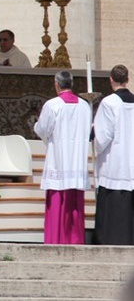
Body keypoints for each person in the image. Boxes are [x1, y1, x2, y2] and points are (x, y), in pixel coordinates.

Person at [33, 70, 91, 244]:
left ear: (57, 84)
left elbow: (43, 129)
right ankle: (74, 240)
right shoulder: (84, 106)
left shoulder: (52, 105)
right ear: (71, 84)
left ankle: (55, 240)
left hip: (59, 159)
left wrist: (37, 126)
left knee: (57, 202)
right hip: (77, 161)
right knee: (74, 205)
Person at [93, 65, 134, 245]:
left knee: (112, 206)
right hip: (131, 160)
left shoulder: (109, 103)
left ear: (111, 79)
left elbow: (103, 137)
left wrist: (94, 135)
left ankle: (109, 240)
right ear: (127, 79)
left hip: (114, 161)